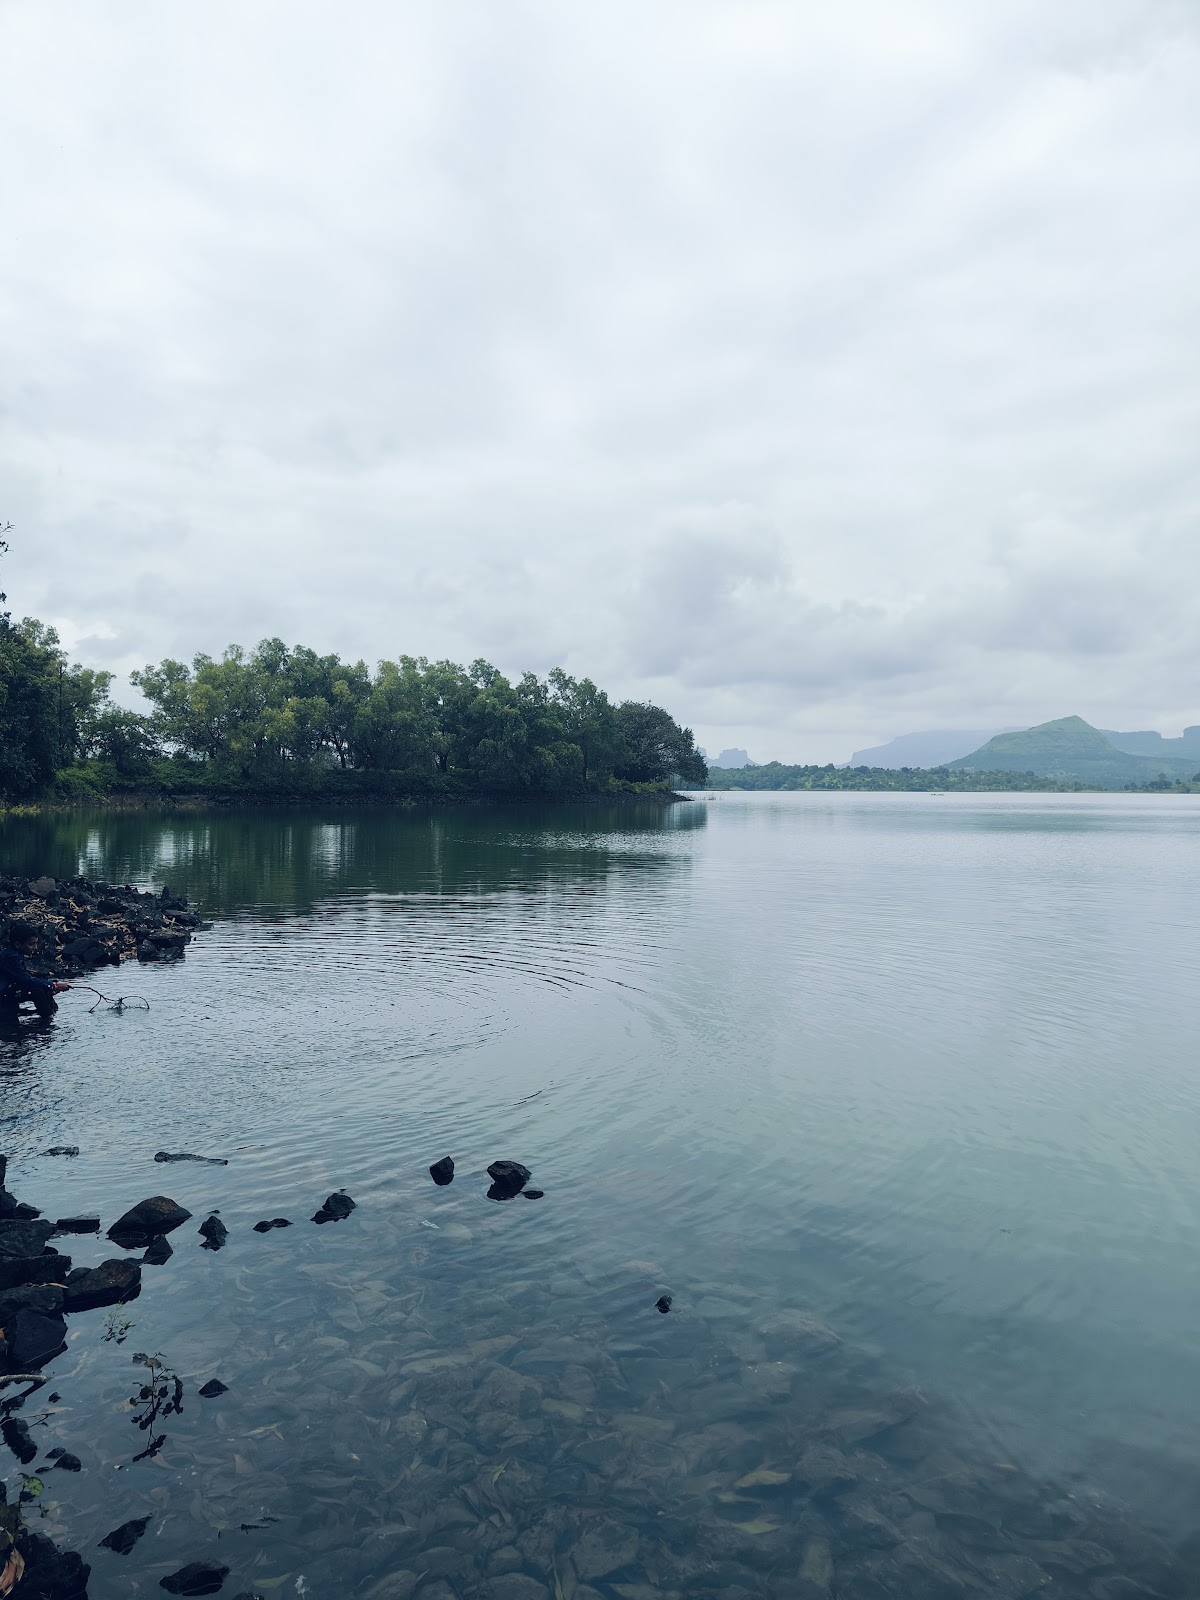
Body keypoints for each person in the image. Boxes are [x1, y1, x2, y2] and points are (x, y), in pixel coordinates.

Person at [0, 919, 70, 1020]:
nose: (35, 947)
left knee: (41, 984)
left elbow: (25, 977)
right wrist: (53, 985)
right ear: (17, 944)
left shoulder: (14, 955)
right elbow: (26, 980)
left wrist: (49, 985)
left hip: (7, 991)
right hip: (3, 994)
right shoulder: (10, 958)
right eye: (31, 944)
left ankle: (50, 1015)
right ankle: (48, 1021)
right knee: (37, 989)